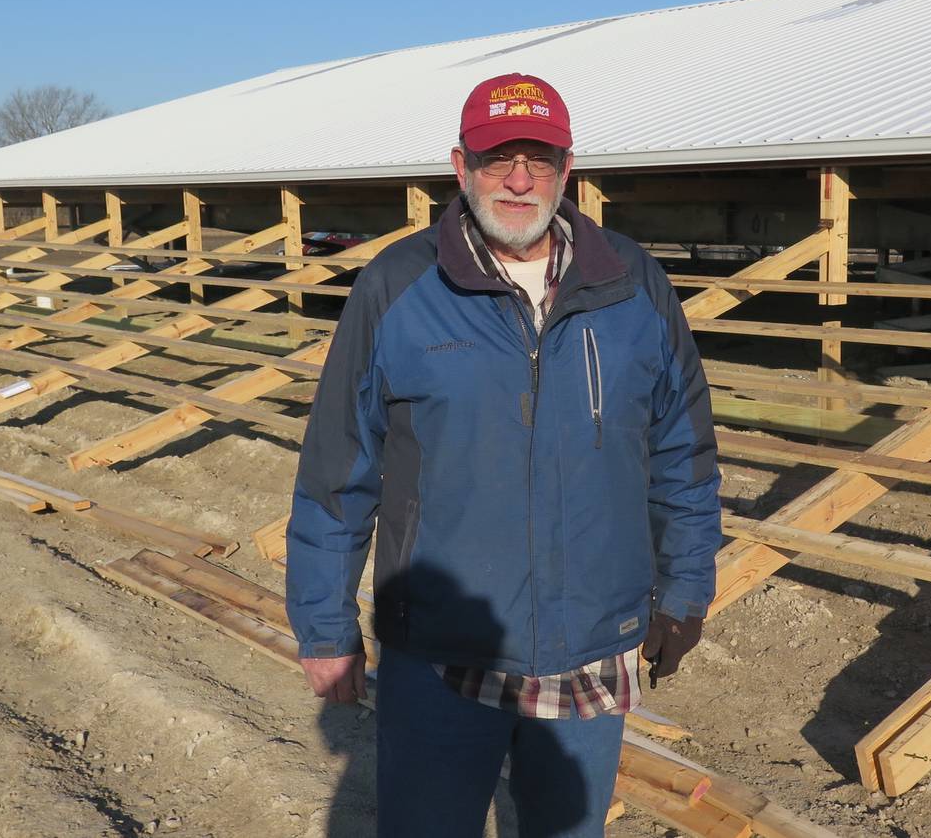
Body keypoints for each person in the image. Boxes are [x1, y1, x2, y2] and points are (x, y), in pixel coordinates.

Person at [285, 73, 722, 837]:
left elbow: (682, 451)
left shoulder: (630, 283)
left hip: (591, 641)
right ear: (460, 168)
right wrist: (325, 627)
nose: (519, 180)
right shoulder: (399, 285)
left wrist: (683, 588)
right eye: (497, 159)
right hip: (442, 651)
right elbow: (338, 469)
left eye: (539, 159)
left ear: (567, 168)